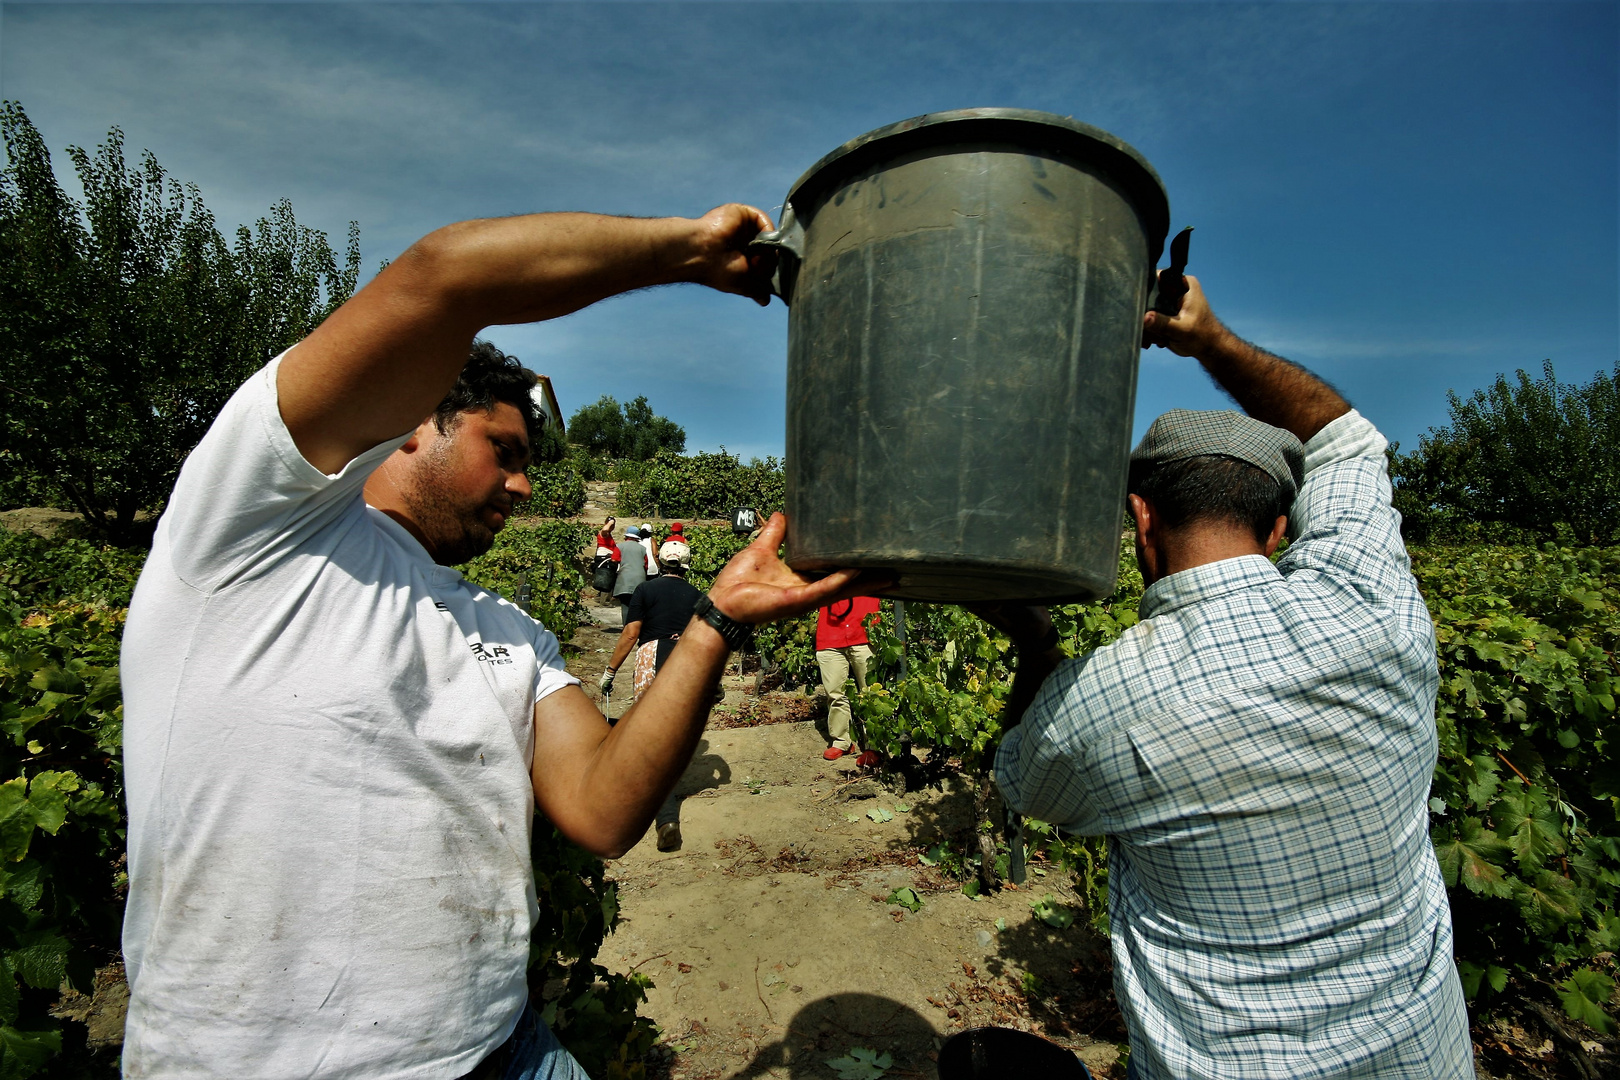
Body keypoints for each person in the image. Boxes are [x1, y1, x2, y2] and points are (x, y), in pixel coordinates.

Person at [119, 204, 878, 1078]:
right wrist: (685, 250)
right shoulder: (256, 531)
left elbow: (601, 809)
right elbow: (445, 278)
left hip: (501, 1049)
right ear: (413, 420)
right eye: (502, 449)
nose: (522, 484)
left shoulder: (506, 631)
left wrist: (719, 619)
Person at [985, 275, 1472, 1078]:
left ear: (1141, 518)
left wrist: (1037, 645)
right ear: (1280, 527)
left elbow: (1021, 782)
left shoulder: (1101, 699)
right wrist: (1212, 339)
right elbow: (1345, 439)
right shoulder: (1372, 605)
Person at [599, 538, 703, 850]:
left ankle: (665, 813)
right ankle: (667, 807)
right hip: (687, 661)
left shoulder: (646, 590)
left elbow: (632, 632)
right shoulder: (698, 595)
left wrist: (610, 670)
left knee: (650, 735)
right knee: (674, 732)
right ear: (686, 564)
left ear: (660, 560)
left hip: (654, 656)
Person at [815, 596, 881, 760]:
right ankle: (841, 742)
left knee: (871, 693)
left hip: (863, 632)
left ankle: (874, 745)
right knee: (835, 693)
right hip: (830, 634)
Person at [612, 523, 650, 626]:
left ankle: (626, 627)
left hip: (625, 580)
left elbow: (614, 559)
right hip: (640, 579)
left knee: (625, 605)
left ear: (626, 536)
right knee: (638, 606)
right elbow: (646, 565)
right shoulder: (642, 549)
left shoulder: (620, 546)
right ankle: (637, 627)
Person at [591, 516, 620, 595]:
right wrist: (610, 522)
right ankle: (604, 600)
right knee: (606, 578)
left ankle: (603, 598)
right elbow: (604, 530)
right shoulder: (604, 534)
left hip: (608, 558)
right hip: (605, 559)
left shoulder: (609, 535)